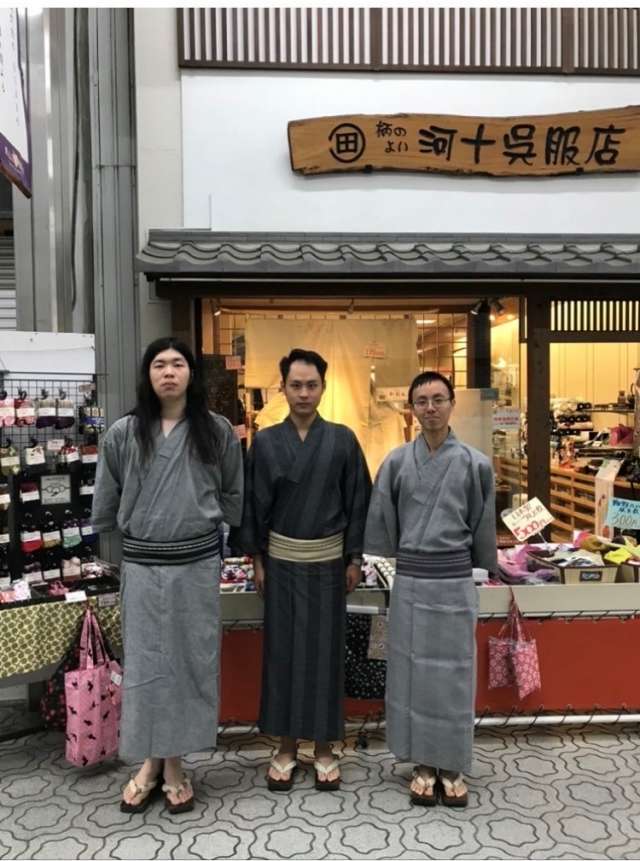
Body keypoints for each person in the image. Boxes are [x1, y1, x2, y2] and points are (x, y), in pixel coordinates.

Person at [92, 337, 243, 814]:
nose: (169, 372)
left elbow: (233, 494)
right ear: (148, 374)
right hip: (142, 565)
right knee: (145, 667)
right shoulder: (123, 433)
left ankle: (172, 763)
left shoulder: (216, 431)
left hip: (196, 566)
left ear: (190, 374)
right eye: (159, 364)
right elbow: (107, 499)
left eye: (178, 364)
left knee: (186, 664)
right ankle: (152, 764)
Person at [231, 348, 371, 791]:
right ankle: (287, 746)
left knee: (327, 655)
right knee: (284, 654)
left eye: (312, 385)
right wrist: (256, 559)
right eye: (296, 385)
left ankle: (327, 746)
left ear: (323, 388)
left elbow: (358, 502)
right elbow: (252, 506)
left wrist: (354, 558)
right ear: (283, 388)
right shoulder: (267, 442)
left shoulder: (344, 440)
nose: (304, 393)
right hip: (282, 564)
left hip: (329, 565)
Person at [364, 371, 497, 808]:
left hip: (455, 580)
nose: (431, 408)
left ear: (452, 404)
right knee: (411, 670)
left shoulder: (476, 463)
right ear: (412, 408)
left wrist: (485, 566)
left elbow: (481, 526)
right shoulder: (398, 462)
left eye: (439, 399)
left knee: (454, 673)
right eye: (421, 400)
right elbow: (384, 525)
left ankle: (452, 763)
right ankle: (422, 762)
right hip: (412, 580)